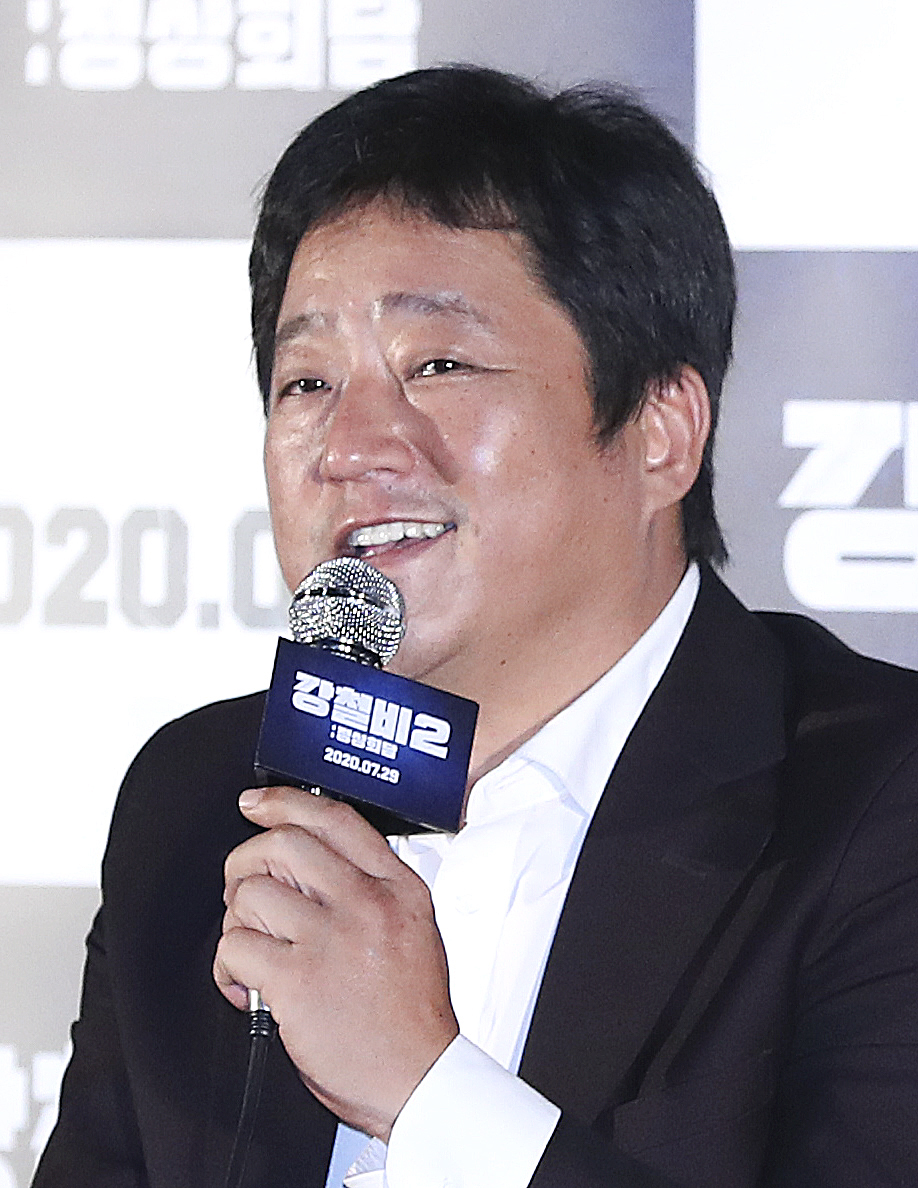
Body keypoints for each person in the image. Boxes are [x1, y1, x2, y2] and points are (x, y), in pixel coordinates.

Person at [33, 65, 918, 1188]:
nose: (351, 446)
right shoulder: (203, 800)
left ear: (660, 433)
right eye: (306, 382)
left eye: (438, 365)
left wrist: (427, 1091)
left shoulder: (878, 809)